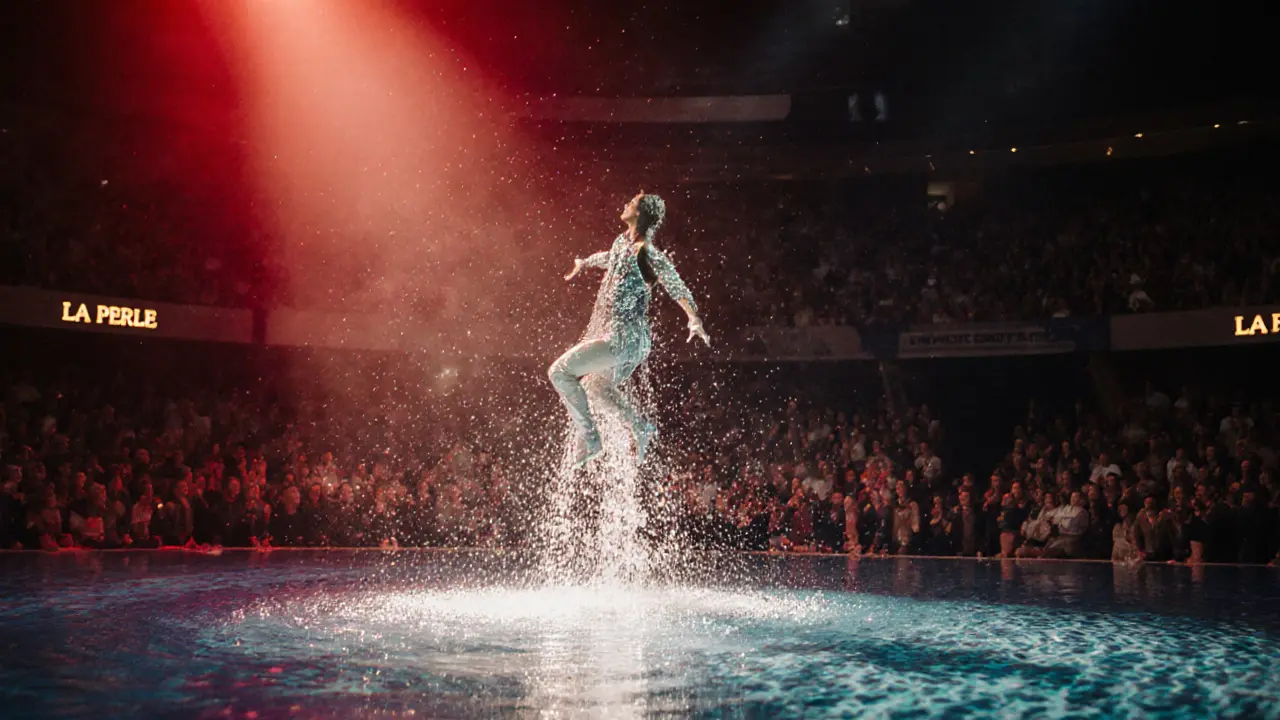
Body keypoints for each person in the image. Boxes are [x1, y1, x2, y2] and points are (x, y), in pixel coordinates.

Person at [550, 191, 710, 467]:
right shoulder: (622, 243)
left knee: (560, 372)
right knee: (597, 389)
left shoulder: (645, 251)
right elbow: (610, 257)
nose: (625, 204)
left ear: (641, 214)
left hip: (624, 339)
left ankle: (590, 440)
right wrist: (585, 263)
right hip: (629, 341)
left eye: (632, 203)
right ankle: (640, 426)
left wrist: (693, 318)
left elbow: (674, 283)